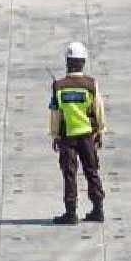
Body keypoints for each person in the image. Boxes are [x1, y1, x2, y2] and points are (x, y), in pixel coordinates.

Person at [49, 40, 106, 224]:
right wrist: (100, 130)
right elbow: (98, 109)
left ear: (67, 62)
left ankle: (71, 213)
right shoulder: (91, 84)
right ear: (83, 62)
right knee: (92, 171)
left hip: (67, 137)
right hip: (87, 135)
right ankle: (98, 210)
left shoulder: (59, 86)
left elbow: (55, 114)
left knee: (69, 173)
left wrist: (55, 135)